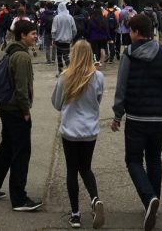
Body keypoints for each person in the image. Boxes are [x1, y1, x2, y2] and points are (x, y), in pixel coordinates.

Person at [111, 13, 162, 231]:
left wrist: (117, 115)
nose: (129, 34)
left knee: (133, 159)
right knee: (155, 158)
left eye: (130, 31)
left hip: (137, 115)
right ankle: (153, 200)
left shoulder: (129, 54)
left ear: (137, 32)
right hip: (161, 116)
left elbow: (121, 88)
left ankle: (149, 198)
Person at [0, 19, 42, 212]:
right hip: (17, 110)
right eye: (33, 34)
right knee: (21, 152)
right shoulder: (22, 57)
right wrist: (26, 111)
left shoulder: (10, 51)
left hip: (5, 106)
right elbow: (22, 88)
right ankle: (19, 198)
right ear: (23, 35)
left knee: (7, 148)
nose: (35, 37)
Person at [51, 40, 106, 229]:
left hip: (70, 130)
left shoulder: (65, 76)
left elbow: (57, 104)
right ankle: (95, 199)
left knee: (72, 170)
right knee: (86, 168)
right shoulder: (98, 77)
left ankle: (75, 214)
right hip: (89, 130)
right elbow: (98, 101)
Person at [53, 1, 77, 77]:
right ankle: (70, 71)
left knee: (59, 56)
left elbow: (54, 30)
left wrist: (53, 39)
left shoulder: (56, 17)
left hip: (58, 41)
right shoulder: (70, 17)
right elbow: (74, 29)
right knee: (66, 56)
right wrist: (72, 37)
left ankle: (60, 71)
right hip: (67, 41)